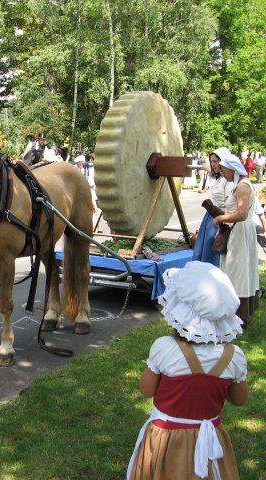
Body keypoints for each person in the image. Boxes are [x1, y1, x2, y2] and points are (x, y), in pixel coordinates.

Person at [127, 261, 247, 480]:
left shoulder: (165, 348)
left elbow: (146, 390)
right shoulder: (234, 356)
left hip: (166, 439)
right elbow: (239, 399)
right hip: (210, 441)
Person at [212, 154, 260, 327]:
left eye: (224, 170)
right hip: (238, 231)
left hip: (240, 232)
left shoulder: (242, 186)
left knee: (236, 271)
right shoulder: (238, 185)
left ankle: (239, 317)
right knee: (234, 270)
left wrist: (221, 218)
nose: (223, 173)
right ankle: (234, 314)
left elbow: (242, 214)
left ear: (233, 170)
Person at [192, 147, 234, 267]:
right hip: (210, 218)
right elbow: (215, 174)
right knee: (202, 250)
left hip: (219, 218)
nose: (213, 164)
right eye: (212, 161)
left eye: (216, 161)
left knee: (212, 253)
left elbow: (230, 206)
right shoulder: (220, 177)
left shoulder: (228, 181)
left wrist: (222, 223)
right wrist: (207, 167)